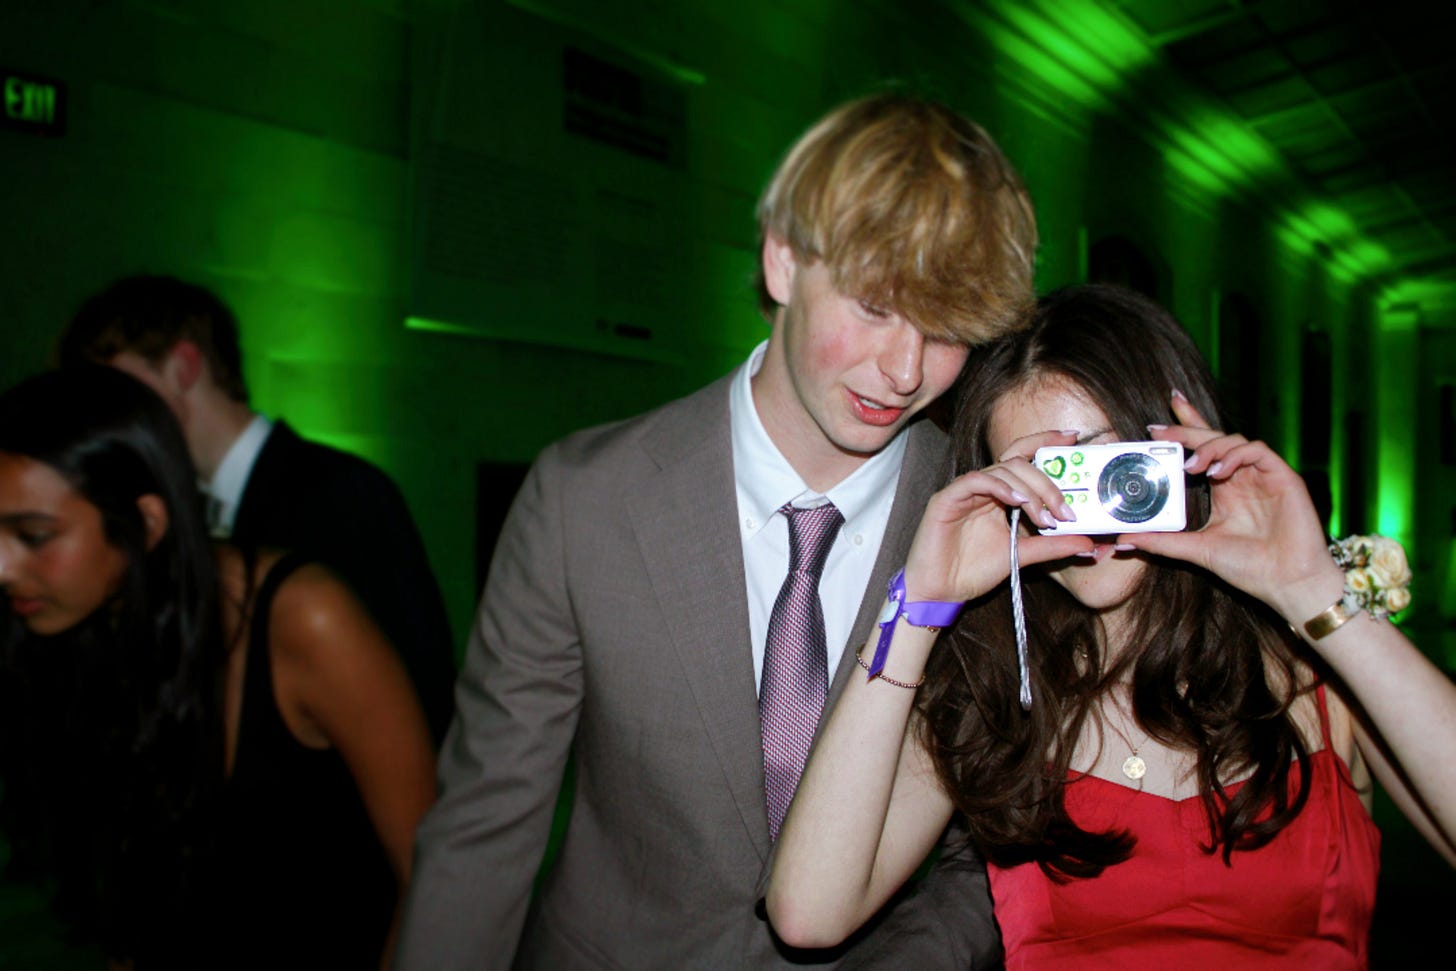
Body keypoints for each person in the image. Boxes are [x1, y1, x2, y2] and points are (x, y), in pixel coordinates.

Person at [393, 92, 1039, 968]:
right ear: (782, 260)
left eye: (949, 329)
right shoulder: (584, 501)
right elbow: (482, 831)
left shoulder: (992, 521)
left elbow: (997, 851)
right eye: (877, 306)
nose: (904, 370)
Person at [766, 283, 1456, 968]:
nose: (1087, 510)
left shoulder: (1319, 668)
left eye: (1108, 468)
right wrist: (916, 604)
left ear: (1176, 447)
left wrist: (1312, 592)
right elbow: (807, 915)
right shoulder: (994, 696)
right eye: (1048, 479)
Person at [0, 366, 437, 970]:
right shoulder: (70, 635)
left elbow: (437, 876)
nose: (2, 567)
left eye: (34, 535)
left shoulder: (304, 617)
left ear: (145, 523)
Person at [58, 275, 457, 743]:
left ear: (184, 366)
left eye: (114, 386)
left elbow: (419, 693)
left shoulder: (343, 492)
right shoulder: (164, 510)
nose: (103, 414)